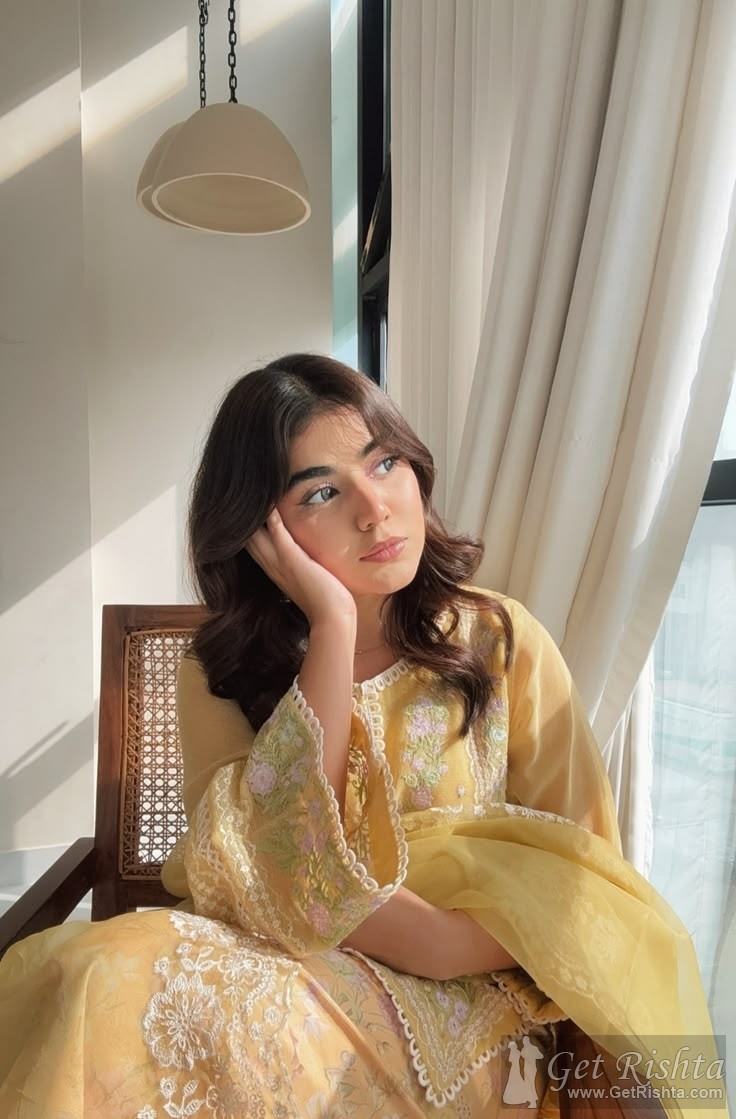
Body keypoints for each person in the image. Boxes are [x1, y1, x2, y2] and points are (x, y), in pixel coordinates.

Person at [0, 354, 724, 1119]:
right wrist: (333, 626)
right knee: (91, 978)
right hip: (279, 962)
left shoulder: (499, 639)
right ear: (261, 530)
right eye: (321, 491)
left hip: (469, 1010)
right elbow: (261, 870)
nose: (375, 510)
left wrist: (445, 943)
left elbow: (586, 879)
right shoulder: (219, 667)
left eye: (384, 463)